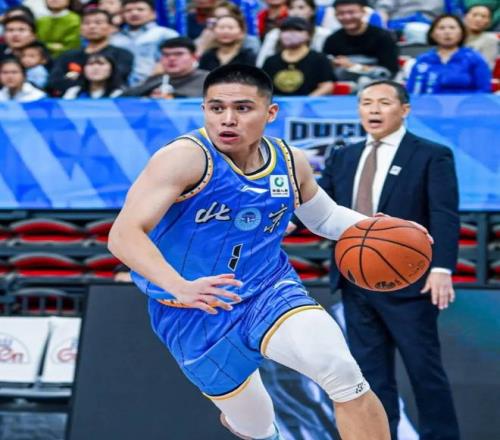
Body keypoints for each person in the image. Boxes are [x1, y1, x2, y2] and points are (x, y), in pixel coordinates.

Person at [108, 63, 394, 440]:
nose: (227, 119)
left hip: (269, 290)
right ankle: (245, 423)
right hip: (192, 310)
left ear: (270, 113)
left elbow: (324, 217)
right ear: (204, 110)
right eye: (216, 108)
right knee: (257, 426)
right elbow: (123, 235)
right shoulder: (184, 157)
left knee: (342, 373)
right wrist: (180, 286)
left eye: (242, 108)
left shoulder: (290, 161)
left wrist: (377, 229)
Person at [319, 80, 460, 440]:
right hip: (355, 281)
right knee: (370, 377)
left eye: (383, 102)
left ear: (405, 109)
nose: (374, 109)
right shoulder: (344, 156)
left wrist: (442, 268)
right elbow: (320, 208)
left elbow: (444, 214)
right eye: (366, 103)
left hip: (410, 282)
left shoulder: (431, 154)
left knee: (425, 374)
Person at [48, 9, 133, 96]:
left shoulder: (122, 55)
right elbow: (54, 81)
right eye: (86, 23)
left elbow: (117, 79)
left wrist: (76, 78)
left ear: (111, 28)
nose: (92, 26)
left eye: (98, 23)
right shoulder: (67, 56)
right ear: (80, 29)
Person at [406, 14, 491, 94]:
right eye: (441, 28)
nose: (447, 32)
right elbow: (412, 91)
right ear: (432, 34)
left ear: (462, 33)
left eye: (452, 28)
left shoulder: (474, 58)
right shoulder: (423, 60)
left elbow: (483, 91)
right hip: (430, 104)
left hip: (466, 104)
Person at [322, 0, 399, 84]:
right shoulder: (332, 39)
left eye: (351, 12)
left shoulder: (382, 37)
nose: (347, 17)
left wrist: (354, 67)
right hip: (343, 83)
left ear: (363, 12)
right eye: (341, 13)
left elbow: (389, 71)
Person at [110, 0, 178, 85]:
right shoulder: (114, 38)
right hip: (121, 87)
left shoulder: (165, 34)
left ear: (153, 14)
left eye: (140, 9)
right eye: (128, 10)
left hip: (158, 84)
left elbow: (177, 58)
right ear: (122, 15)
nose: (134, 13)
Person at [262, 17, 334, 96]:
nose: (291, 33)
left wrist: (307, 100)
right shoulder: (271, 61)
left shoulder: (319, 59)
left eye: (298, 29)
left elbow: (327, 86)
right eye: (285, 30)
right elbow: (263, 87)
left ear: (309, 35)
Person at [122, 37, 209, 98]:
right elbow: (124, 98)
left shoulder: (209, 79)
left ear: (194, 57)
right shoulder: (156, 79)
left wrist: (172, 97)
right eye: (166, 55)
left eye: (178, 54)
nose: (171, 59)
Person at [256, 0, 332, 68]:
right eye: (291, 8)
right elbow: (261, 63)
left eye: (301, 8)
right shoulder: (274, 34)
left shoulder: (323, 34)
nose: (296, 12)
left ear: (313, 11)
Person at [464, 4, 498, 69]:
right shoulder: (455, 36)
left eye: (483, 16)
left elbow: (486, 67)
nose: (478, 19)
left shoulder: (490, 40)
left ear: (489, 22)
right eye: (474, 15)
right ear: (465, 17)